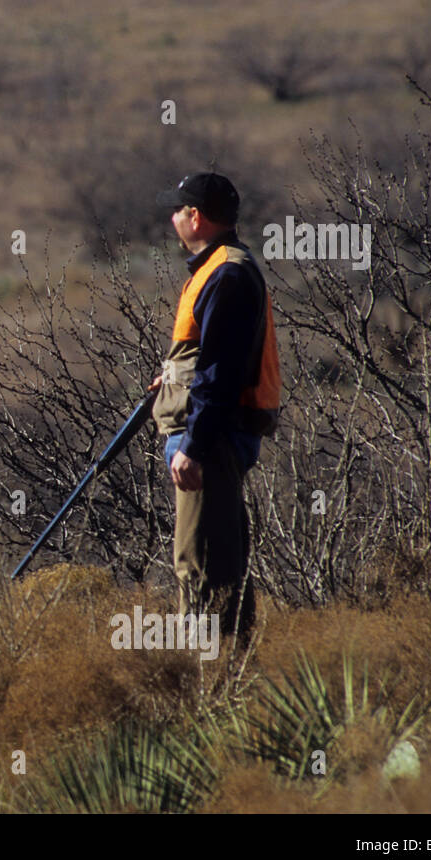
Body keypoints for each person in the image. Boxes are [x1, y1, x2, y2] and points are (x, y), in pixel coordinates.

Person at [149, 172, 280, 655]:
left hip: (211, 443)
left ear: (197, 217)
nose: (173, 217)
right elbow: (205, 359)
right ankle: (230, 674)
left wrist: (194, 447)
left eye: (179, 209)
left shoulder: (227, 273)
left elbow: (221, 373)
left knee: (201, 566)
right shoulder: (219, 269)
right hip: (210, 439)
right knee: (217, 562)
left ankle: (210, 682)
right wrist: (173, 378)